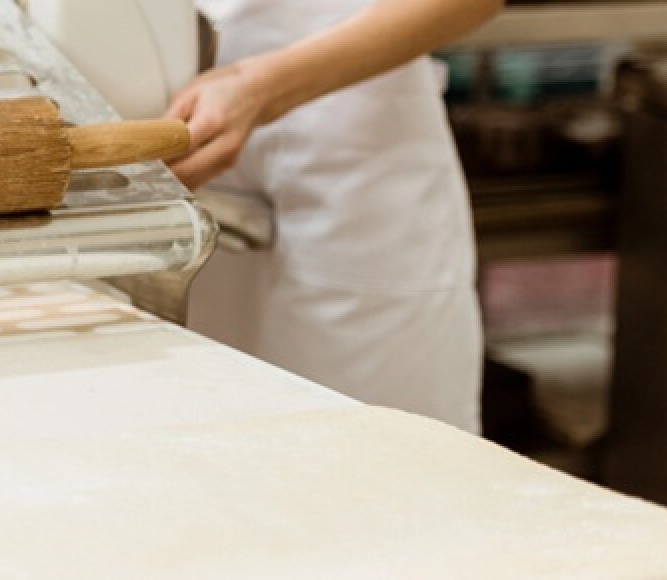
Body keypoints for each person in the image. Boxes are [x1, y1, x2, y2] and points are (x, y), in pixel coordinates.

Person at [175, 0, 502, 433]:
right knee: (223, 446)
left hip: (356, 161)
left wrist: (259, 87)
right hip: (197, 152)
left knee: (385, 455)